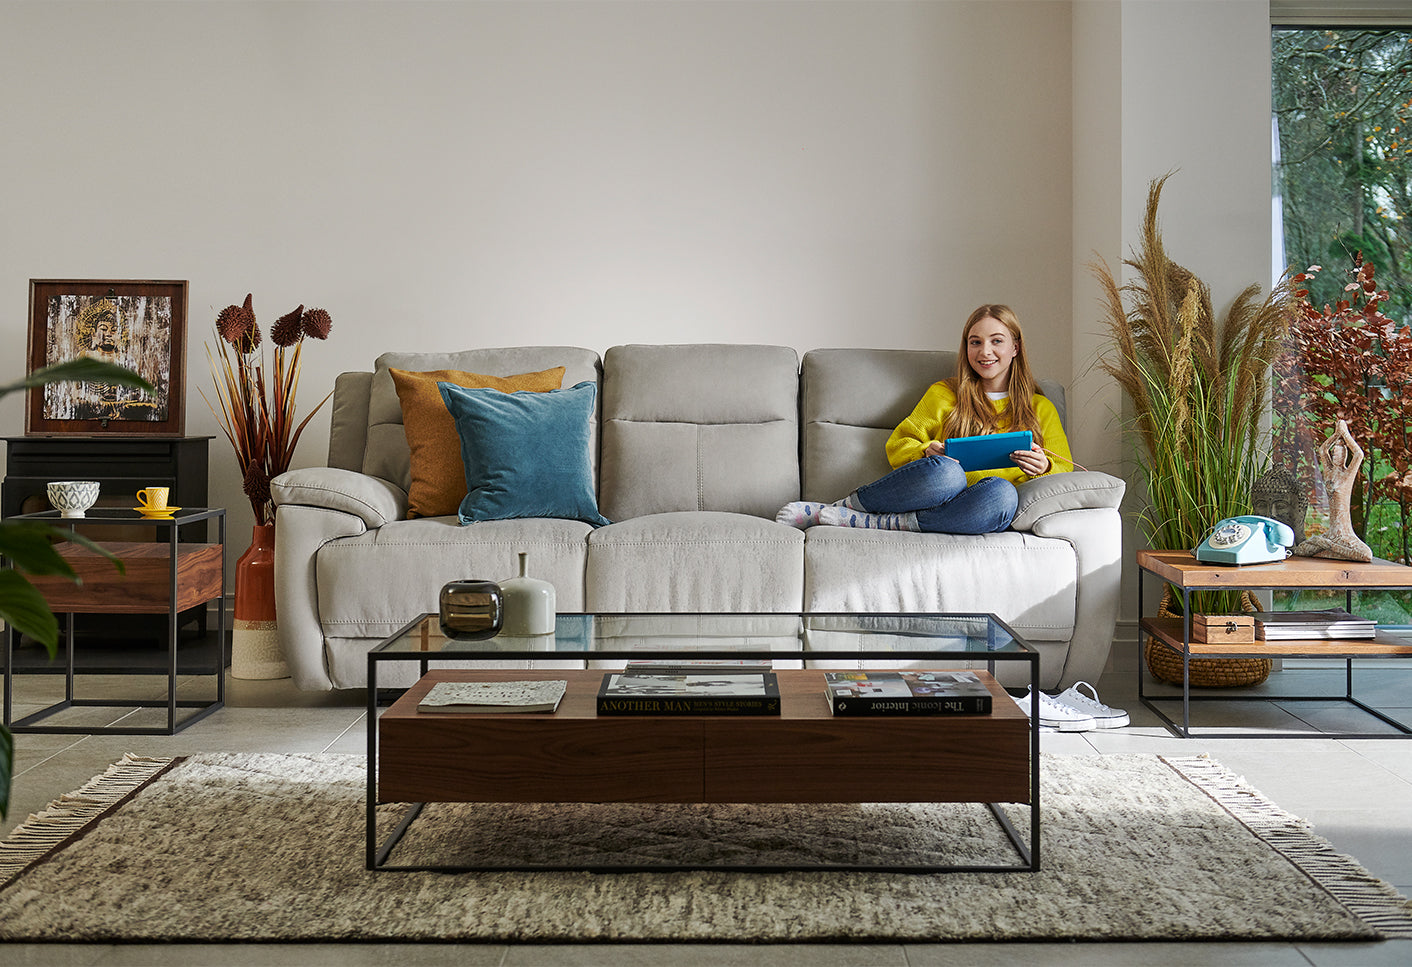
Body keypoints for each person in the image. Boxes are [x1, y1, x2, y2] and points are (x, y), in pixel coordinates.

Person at [777, 304, 1073, 533]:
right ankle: (843, 508)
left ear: (1015, 348)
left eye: (997, 341)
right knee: (946, 472)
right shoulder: (944, 393)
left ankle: (882, 523)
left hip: (977, 506)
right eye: (975, 342)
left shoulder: (1040, 407)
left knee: (1004, 494)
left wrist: (1044, 466)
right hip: (935, 490)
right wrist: (927, 451)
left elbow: (1066, 474)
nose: (985, 351)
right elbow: (899, 443)